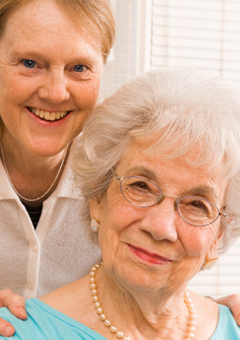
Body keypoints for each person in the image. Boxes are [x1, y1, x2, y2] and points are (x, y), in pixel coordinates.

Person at [1, 68, 240, 339]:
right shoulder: (17, 333)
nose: (160, 228)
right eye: (141, 187)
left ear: (218, 235)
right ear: (97, 197)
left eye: (197, 205)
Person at [0, 0, 115, 336]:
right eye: (30, 63)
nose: (55, 92)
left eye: (79, 68)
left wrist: (208, 312)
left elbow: (138, 295)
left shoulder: (120, 176)